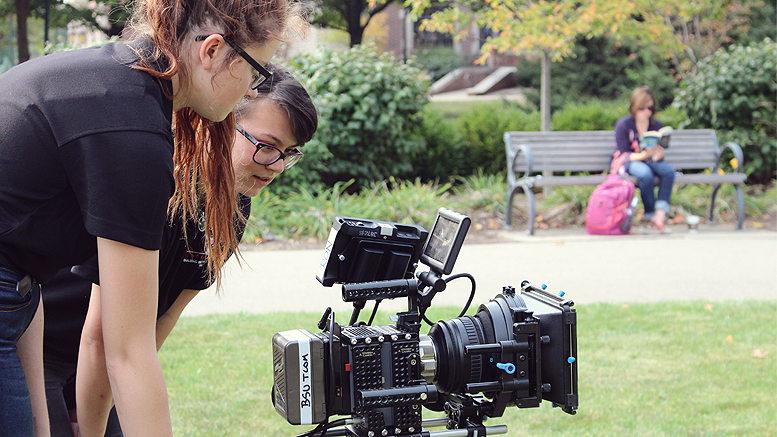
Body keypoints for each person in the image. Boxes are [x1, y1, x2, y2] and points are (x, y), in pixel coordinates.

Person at [0, 0, 300, 434]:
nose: (254, 89)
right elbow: (125, 352)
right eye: (258, 70)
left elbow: (21, 270)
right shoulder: (132, 128)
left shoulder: (117, 81)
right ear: (212, 51)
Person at [42, 64, 318, 437]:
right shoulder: (153, 179)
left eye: (289, 152)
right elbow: (98, 339)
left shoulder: (234, 206)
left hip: (106, 358)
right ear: (221, 122)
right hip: (44, 350)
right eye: (267, 146)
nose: (278, 166)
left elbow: (164, 317)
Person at [614, 86, 675, 233]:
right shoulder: (624, 125)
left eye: (650, 108)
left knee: (669, 171)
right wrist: (644, 156)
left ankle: (659, 216)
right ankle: (649, 216)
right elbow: (624, 154)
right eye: (643, 108)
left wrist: (658, 155)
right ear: (634, 107)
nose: (647, 112)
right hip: (631, 161)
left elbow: (657, 153)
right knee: (645, 174)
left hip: (650, 160)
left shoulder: (656, 125)